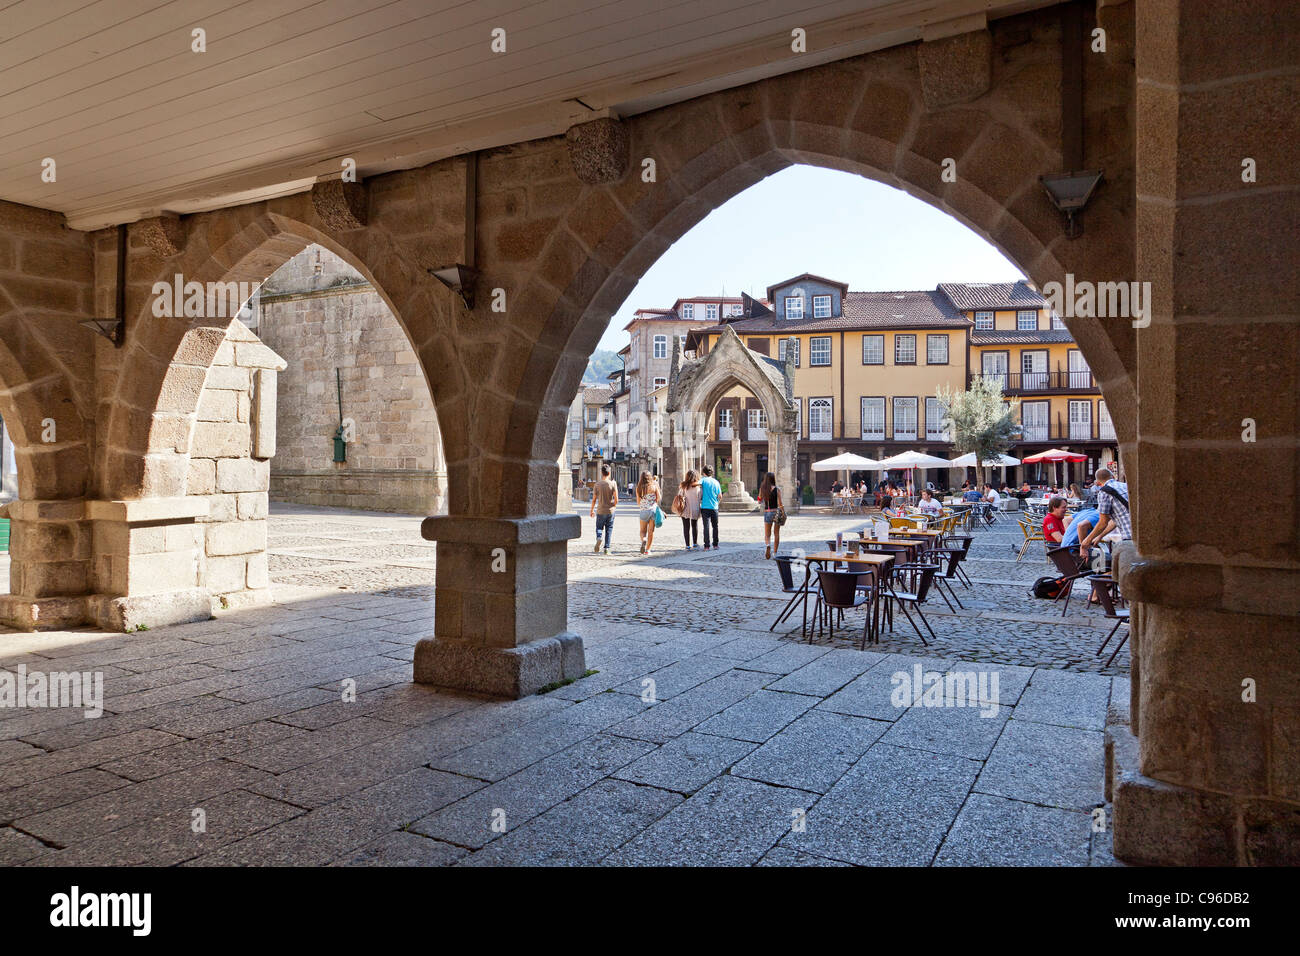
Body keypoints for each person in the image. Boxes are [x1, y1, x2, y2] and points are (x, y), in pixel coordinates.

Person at [1078, 467, 1131, 561]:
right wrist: (1099, 536)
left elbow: (1103, 522)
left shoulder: (1104, 492)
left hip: (1129, 536)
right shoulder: (1126, 485)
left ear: (1098, 483)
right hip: (1142, 532)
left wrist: (1085, 543)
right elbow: (1115, 520)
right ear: (1113, 476)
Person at [589, 464, 618, 553]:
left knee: (599, 527)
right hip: (610, 510)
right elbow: (616, 499)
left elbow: (594, 500)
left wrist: (592, 510)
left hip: (600, 510)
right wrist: (613, 505)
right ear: (609, 473)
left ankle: (599, 537)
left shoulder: (597, 485)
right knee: (609, 529)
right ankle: (606, 548)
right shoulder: (613, 484)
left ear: (602, 473)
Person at [757, 471, 783, 560]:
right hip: (776, 512)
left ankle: (768, 545)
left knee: (767, 534)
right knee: (776, 534)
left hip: (767, 512)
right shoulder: (777, 489)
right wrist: (783, 512)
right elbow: (780, 503)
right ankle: (775, 553)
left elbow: (759, 500)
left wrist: (761, 498)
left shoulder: (763, 488)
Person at [676, 470, 703, 550]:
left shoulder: (683, 486)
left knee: (686, 526)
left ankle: (687, 545)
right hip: (695, 508)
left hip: (685, 509)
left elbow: (680, 496)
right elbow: (701, 497)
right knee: (694, 525)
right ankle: (695, 543)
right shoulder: (699, 487)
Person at [635, 471, 661, 555]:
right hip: (653, 510)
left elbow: (638, 502)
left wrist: (643, 504)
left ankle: (644, 540)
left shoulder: (639, 488)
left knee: (642, 531)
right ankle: (648, 550)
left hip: (643, 511)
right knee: (651, 531)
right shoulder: (654, 486)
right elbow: (659, 497)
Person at [699, 465, 721, 550]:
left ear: (703, 473)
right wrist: (717, 502)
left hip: (705, 506)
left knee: (706, 526)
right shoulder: (716, 482)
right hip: (714, 507)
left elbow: (696, 484)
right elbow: (720, 496)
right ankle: (715, 544)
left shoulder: (703, 480)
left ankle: (707, 546)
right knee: (715, 526)